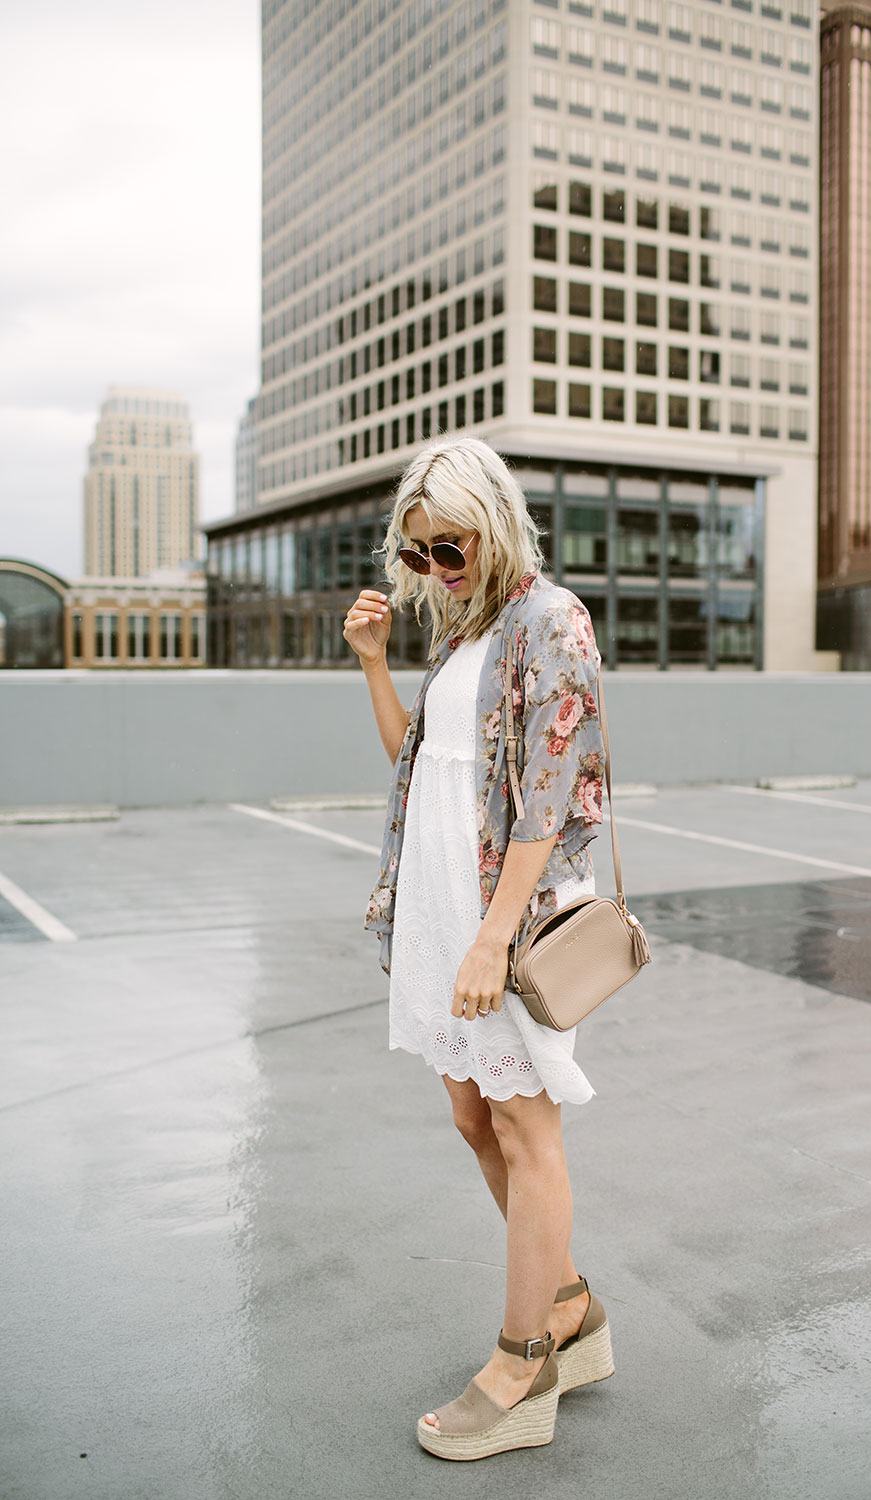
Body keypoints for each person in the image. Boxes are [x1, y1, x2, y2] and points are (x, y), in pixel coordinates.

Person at [343, 436, 613, 1461]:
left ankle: (522, 1361)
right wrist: (373, 667)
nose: (433, 571)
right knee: (471, 1112)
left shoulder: (550, 620)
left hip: (507, 908)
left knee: (523, 1127)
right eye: (416, 558)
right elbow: (420, 771)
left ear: (492, 522)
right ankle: (573, 1306)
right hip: (445, 902)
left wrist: (493, 939)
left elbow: (549, 798)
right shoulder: (470, 629)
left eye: (445, 549)